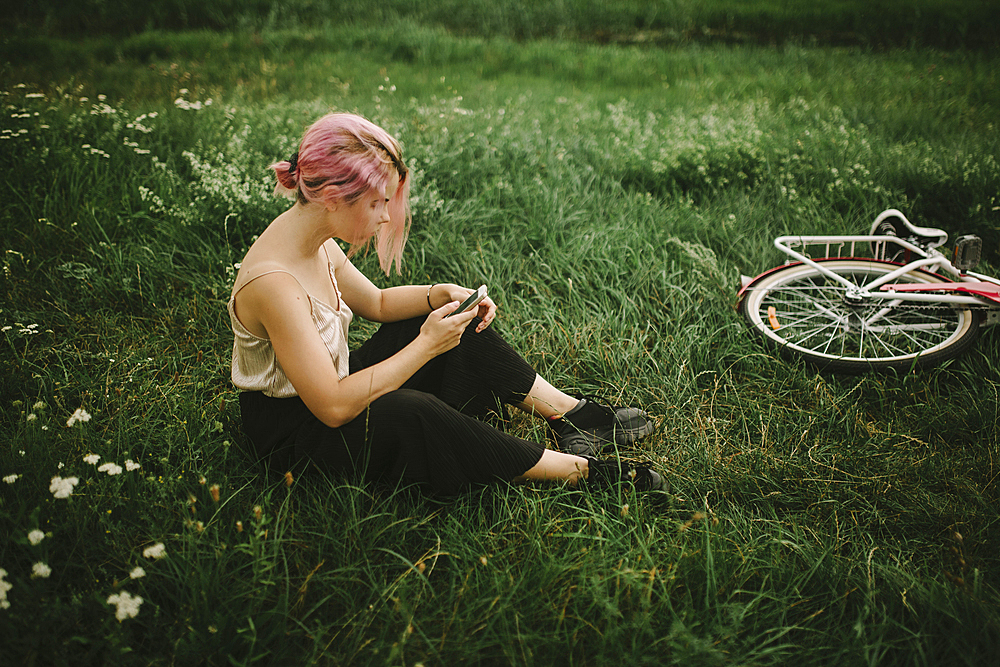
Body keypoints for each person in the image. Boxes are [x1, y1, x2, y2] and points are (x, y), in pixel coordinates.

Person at [228, 112, 664, 495]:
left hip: (332, 387)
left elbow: (376, 302)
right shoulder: (275, 284)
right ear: (330, 197)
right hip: (298, 435)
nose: (384, 216)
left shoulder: (313, 237)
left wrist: (440, 295)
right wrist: (426, 346)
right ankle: (580, 472)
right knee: (411, 412)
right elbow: (334, 407)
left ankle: (573, 417)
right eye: (377, 202)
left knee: (441, 319)